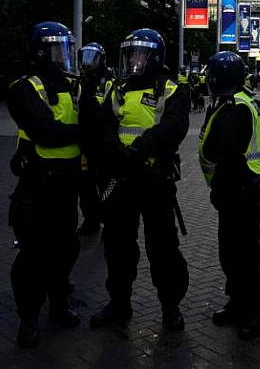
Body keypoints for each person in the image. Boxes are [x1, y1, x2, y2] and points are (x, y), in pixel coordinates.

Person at [89, 29, 190, 333]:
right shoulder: (117, 87)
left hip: (154, 179)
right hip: (121, 179)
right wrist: (117, 152)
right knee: (117, 246)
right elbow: (104, 124)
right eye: (130, 54)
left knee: (163, 248)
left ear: (154, 57)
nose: (133, 59)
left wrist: (137, 150)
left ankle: (170, 308)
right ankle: (119, 304)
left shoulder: (172, 89)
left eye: (139, 54)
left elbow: (173, 127)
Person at [7, 21, 83, 348]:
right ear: (40, 53)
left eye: (66, 49)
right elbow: (46, 131)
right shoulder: (23, 88)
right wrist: (86, 133)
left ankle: (58, 304)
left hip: (67, 184)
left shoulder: (74, 85)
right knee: (33, 256)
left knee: (66, 248)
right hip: (36, 185)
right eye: (56, 50)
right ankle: (29, 318)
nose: (63, 56)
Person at [199, 51, 260, 340]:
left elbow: (224, 152)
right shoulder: (234, 101)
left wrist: (221, 188)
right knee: (231, 252)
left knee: (244, 254)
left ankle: (254, 311)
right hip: (237, 190)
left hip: (241, 191)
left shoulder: (235, 107)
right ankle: (238, 301)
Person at [77, 42, 108, 236]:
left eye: (93, 58)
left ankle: (109, 221)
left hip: (103, 142)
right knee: (85, 185)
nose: (88, 64)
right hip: (84, 142)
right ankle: (91, 220)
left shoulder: (108, 81)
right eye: (85, 58)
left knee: (105, 184)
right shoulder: (78, 82)